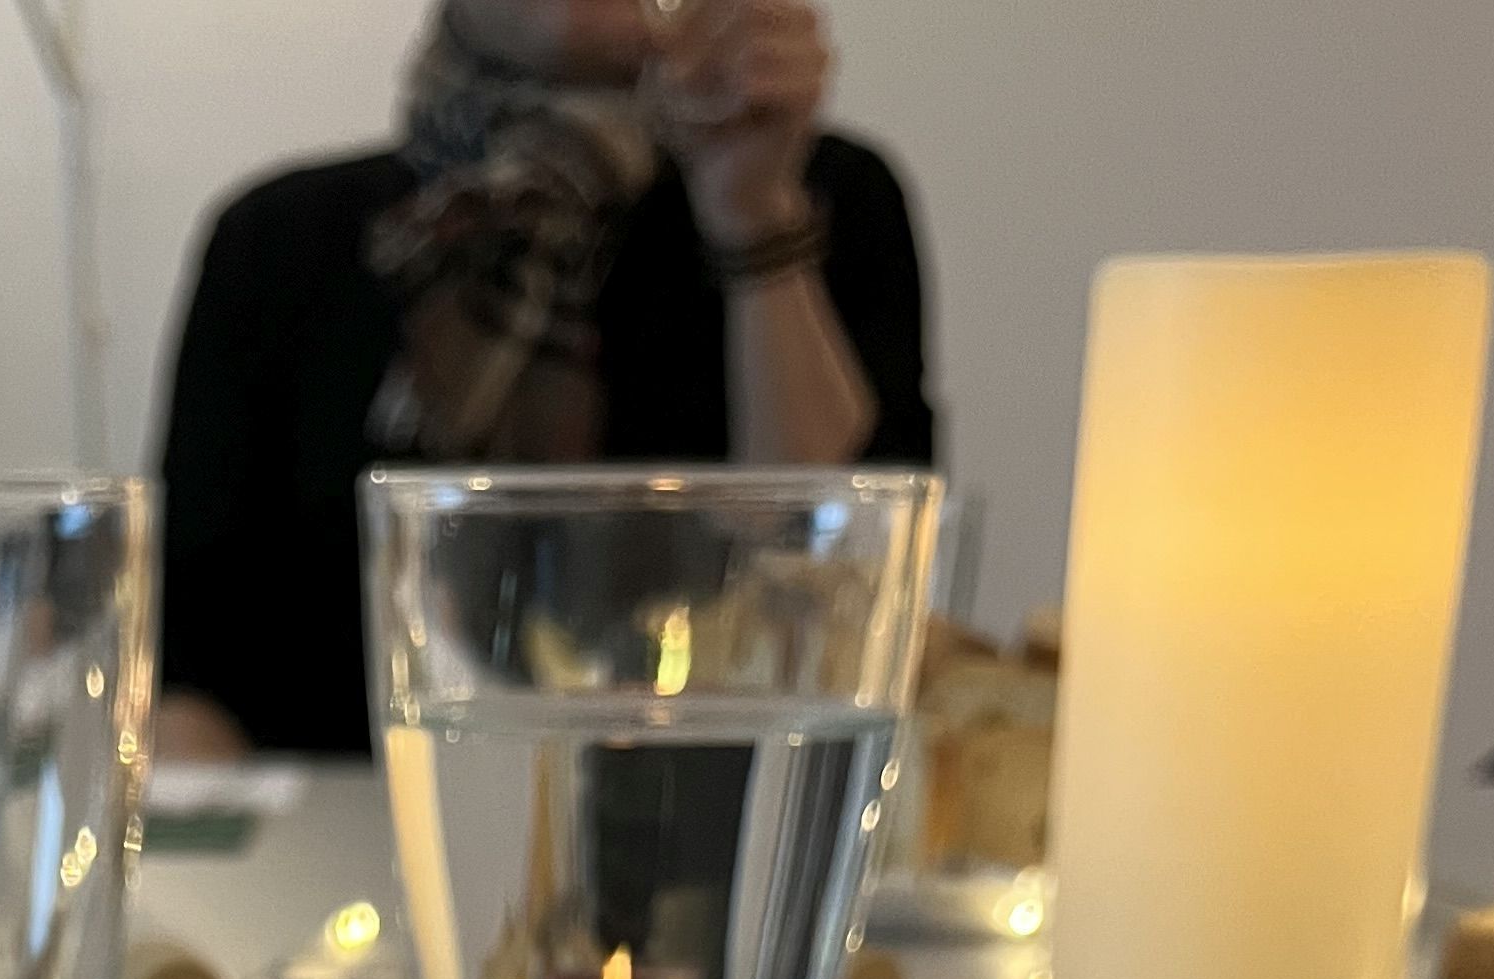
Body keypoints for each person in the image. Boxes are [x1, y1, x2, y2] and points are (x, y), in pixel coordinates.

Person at [156, 0, 934, 762]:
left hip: (725, 823)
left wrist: (755, 216)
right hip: (362, 837)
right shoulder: (280, 242)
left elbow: (843, 604)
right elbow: (185, 666)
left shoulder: (824, 199)